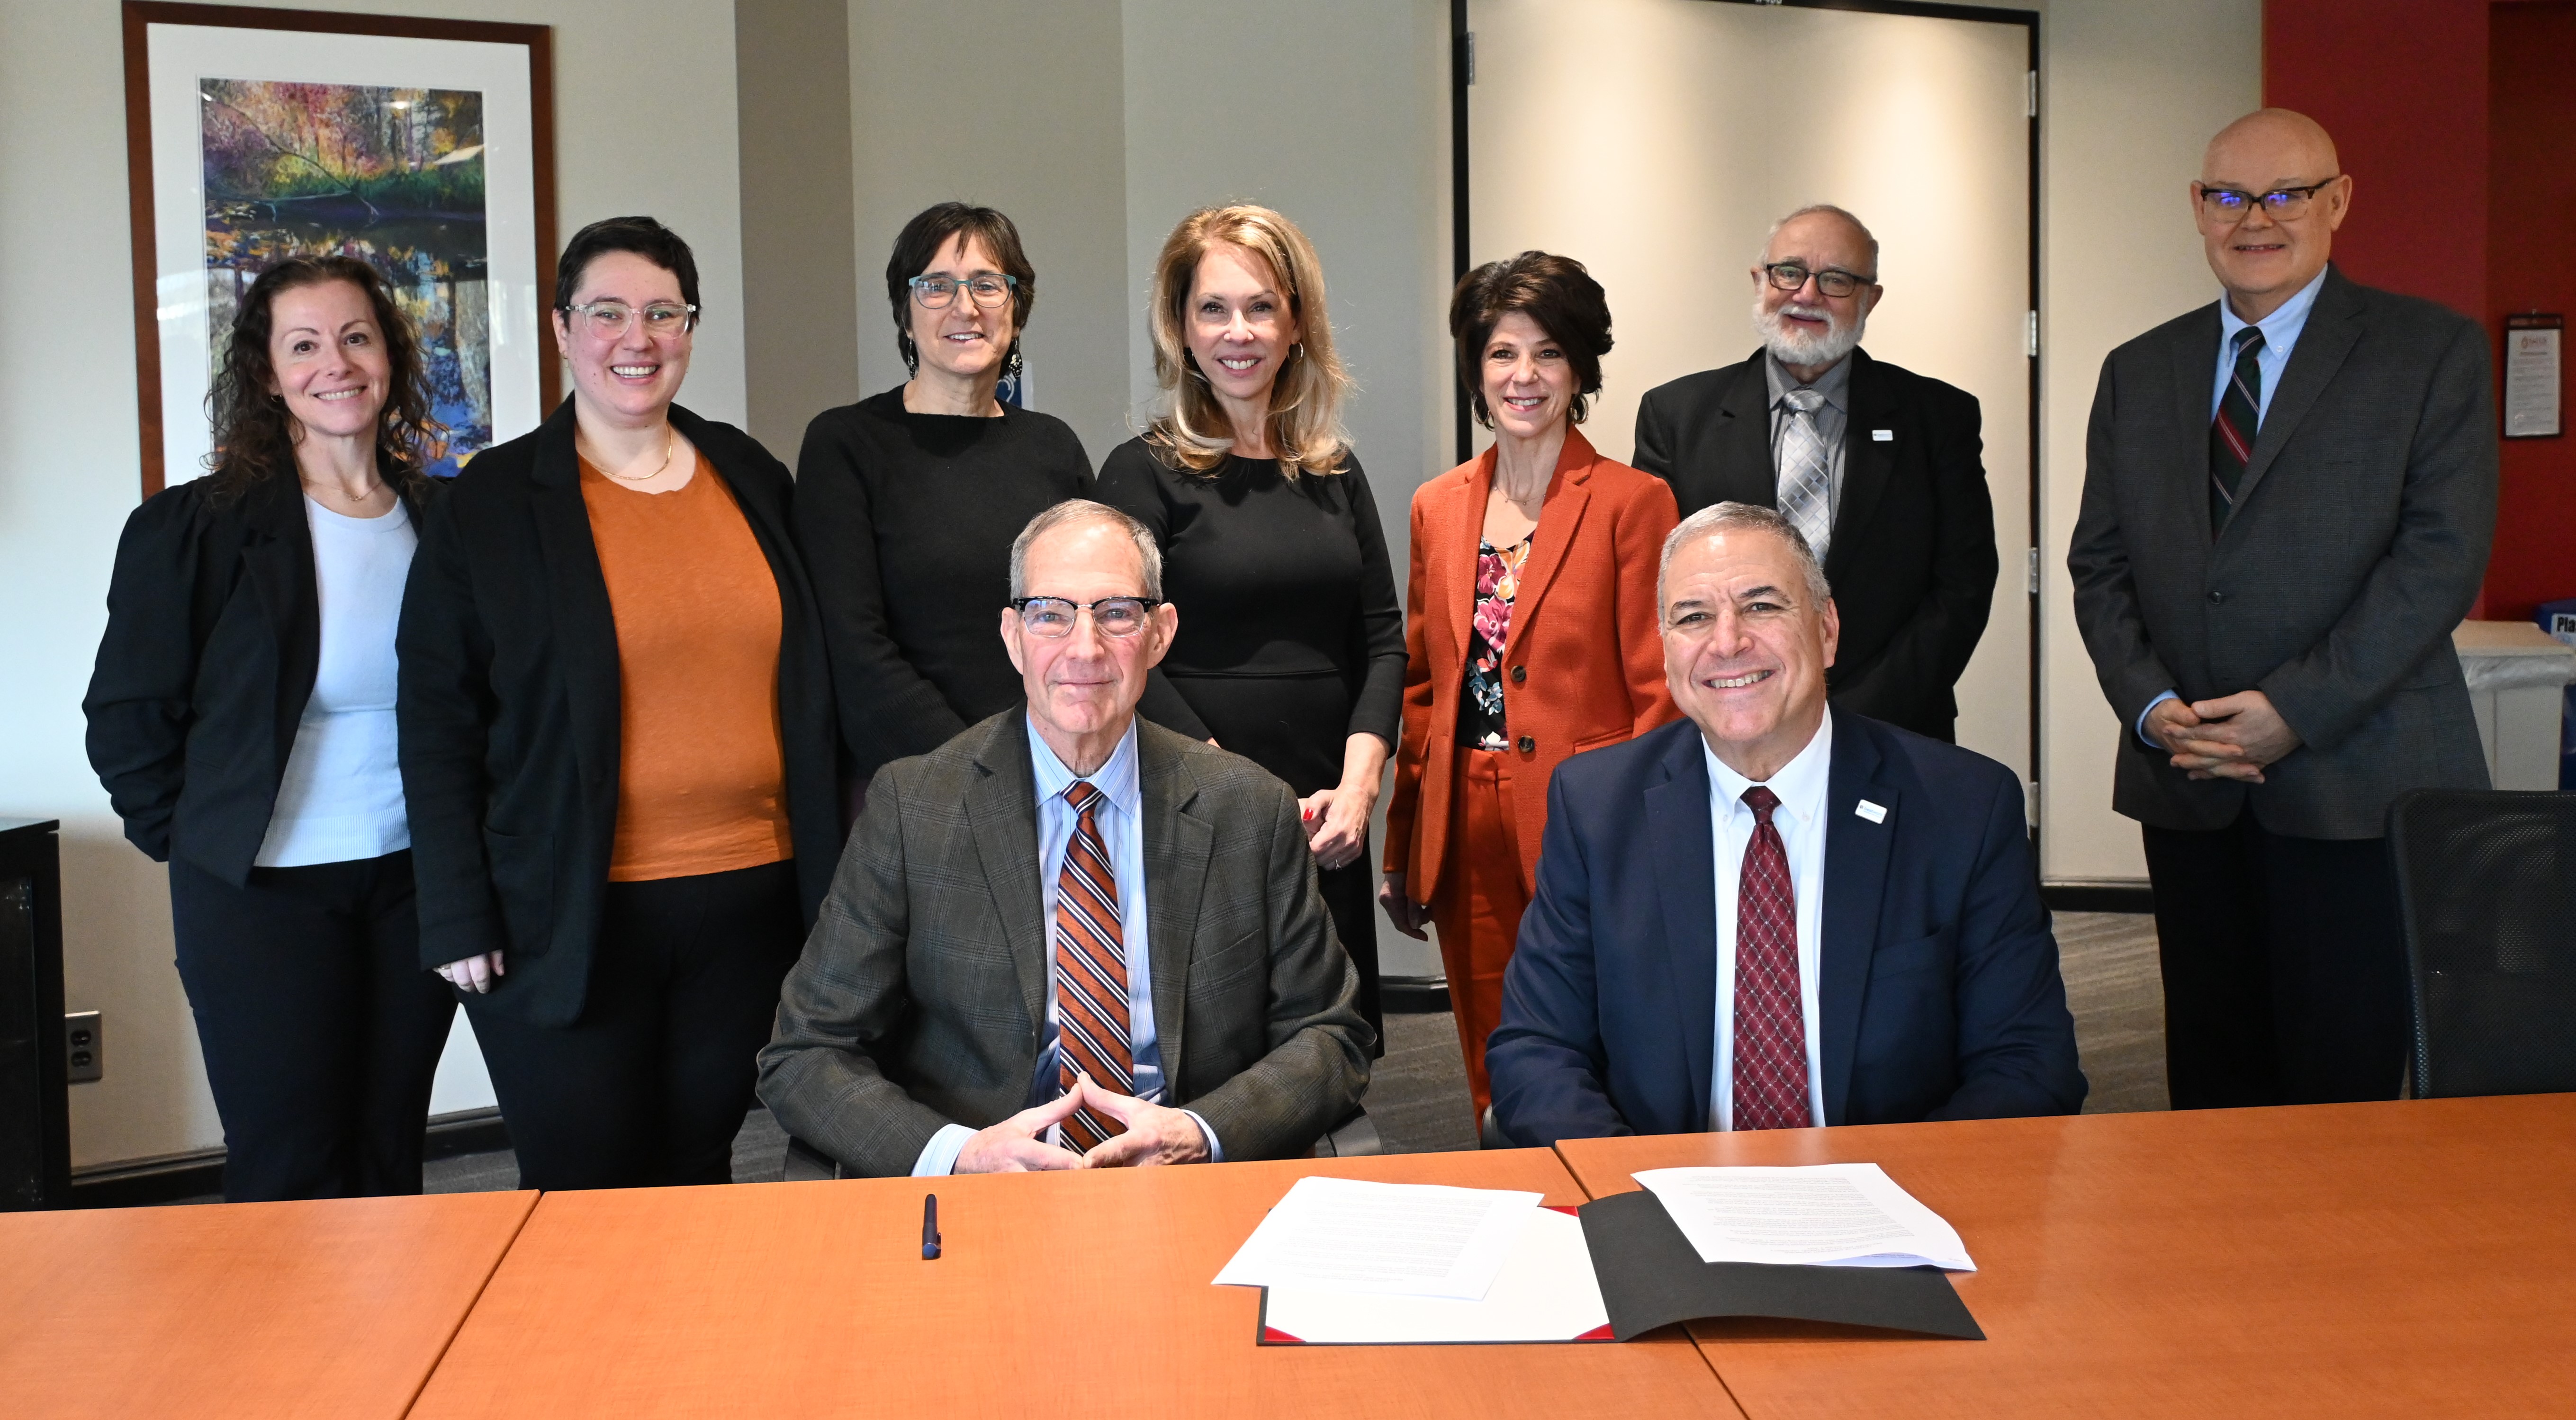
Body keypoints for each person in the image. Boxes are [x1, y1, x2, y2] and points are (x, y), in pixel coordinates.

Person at [398, 216, 841, 1189]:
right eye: (606, 312)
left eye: (662, 313)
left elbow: (813, 681)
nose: (634, 338)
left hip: (751, 901)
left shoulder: (750, 473)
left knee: (699, 1161)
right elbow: (436, 717)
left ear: (689, 328)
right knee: (582, 1182)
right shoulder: (494, 499)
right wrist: (455, 909)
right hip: (564, 909)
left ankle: (692, 1349)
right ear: (562, 329)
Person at [2067, 109, 2496, 1110]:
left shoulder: (2429, 352)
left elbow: (2437, 564)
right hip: (2187, 782)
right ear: (2197, 210)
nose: (2253, 219)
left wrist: (2290, 711)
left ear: (2337, 201)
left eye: (2285, 194)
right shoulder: (2139, 370)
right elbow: (2099, 564)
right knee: (2211, 1077)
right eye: (2227, 196)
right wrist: (2149, 702)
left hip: (2354, 779)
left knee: (2339, 1082)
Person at [757, 501, 1370, 1177]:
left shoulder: (1249, 809)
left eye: (1115, 612)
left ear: (1160, 633)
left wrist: (1200, 1129)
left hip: (1185, 1186)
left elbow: (1330, 1034)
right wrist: (960, 1154)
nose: (1084, 647)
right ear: (1013, 635)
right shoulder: (916, 808)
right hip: (985, 1200)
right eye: (1051, 613)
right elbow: (807, 1052)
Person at [1486, 503, 2086, 1144]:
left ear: (1826, 630)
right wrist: (1640, 1195)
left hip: (1891, 1214)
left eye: (1762, 606)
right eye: (1692, 617)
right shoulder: (1596, 807)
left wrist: (1889, 1199)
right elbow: (1536, 1048)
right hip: (1663, 1203)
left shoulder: (1962, 808)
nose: (1727, 641)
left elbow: (2028, 1063)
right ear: (1665, 653)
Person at [84, 255, 456, 1201]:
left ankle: (398, 1351)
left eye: (356, 336)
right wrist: (195, 843)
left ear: (390, 355)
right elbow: (128, 715)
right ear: (266, 372)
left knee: (386, 1158)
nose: (335, 363)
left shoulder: (445, 519)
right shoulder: (193, 528)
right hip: (261, 898)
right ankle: (280, 1355)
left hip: (417, 887)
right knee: (288, 1165)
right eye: (303, 344)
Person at [1096, 205, 1405, 1045]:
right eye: (1214, 308)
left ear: (1297, 321)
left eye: (1262, 306)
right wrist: (1239, 791)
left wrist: (1359, 787)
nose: (1240, 331)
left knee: (1327, 1051)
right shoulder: (1141, 471)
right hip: (1195, 800)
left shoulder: (1334, 471)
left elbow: (1382, 637)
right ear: (1181, 328)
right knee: (1217, 1052)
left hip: (1327, 812)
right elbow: (1122, 650)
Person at [1381, 251, 1679, 1119]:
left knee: (1590, 1033)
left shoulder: (1634, 501)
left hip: (1586, 815)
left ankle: (1596, 1201)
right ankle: (1504, 1183)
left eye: (1547, 352)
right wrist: (1404, 839)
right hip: (1463, 811)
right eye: (1502, 352)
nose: (1524, 375)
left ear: (1579, 367)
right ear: (1476, 368)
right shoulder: (1437, 505)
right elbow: (1423, 690)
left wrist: (1644, 844)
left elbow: (1658, 692)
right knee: (1488, 1042)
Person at [1631, 205, 1997, 742]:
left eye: (1836, 280)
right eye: (1789, 272)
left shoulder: (1938, 417)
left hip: (1892, 728)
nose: (1806, 295)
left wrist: (1850, 714)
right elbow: (1657, 586)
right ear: (1759, 280)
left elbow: (1962, 587)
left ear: (1870, 298)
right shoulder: (1676, 416)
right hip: (1727, 724)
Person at [793, 202, 1097, 784]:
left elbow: (1100, 617)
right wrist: (986, 776)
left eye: (987, 284)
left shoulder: (1053, 446)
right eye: (936, 286)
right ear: (905, 314)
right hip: (923, 784)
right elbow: (855, 651)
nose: (965, 306)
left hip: (1065, 775)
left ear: (1016, 309)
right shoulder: (846, 445)